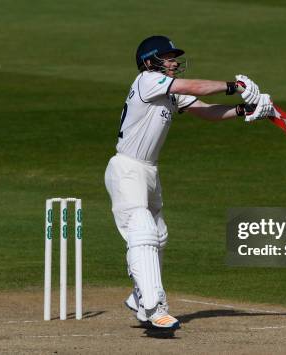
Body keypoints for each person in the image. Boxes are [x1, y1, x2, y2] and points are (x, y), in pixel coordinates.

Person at [104, 35, 274, 329]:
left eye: (173, 57)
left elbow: (205, 111)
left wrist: (243, 110)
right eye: (167, 57)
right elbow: (193, 85)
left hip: (148, 171)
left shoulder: (169, 92)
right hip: (126, 168)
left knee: (158, 235)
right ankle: (155, 308)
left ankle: (138, 298)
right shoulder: (146, 80)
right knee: (142, 228)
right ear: (149, 61)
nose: (173, 61)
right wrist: (235, 87)